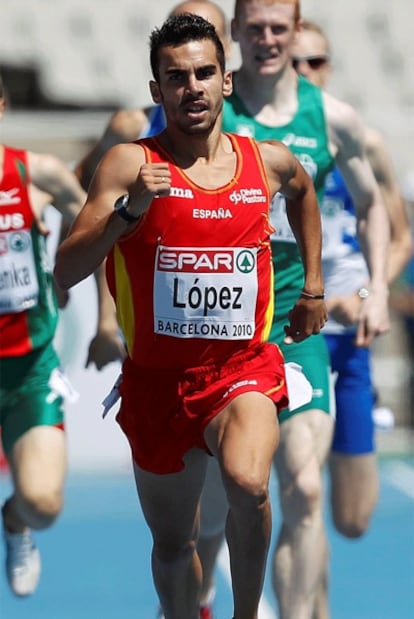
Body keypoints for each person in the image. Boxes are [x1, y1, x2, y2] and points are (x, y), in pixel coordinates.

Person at [54, 13, 328, 619]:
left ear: (226, 81)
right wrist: (129, 213)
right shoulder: (130, 164)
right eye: (177, 77)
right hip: (157, 386)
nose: (193, 87)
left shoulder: (267, 163)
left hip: (241, 371)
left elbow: (305, 193)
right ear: (157, 92)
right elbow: (66, 270)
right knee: (174, 548)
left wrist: (312, 286)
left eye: (205, 73)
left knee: (250, 485)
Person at [221, 2, 390, 618]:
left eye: (279, 28)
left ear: (295, 32)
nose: (267, 39)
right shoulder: (212, 108)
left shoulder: (333, 119)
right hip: (223, 330)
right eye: (255, 27)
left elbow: (374, 206)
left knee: (307, 486)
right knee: (213, 508)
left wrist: (370, 290)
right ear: (235, 31)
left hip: (296, 328)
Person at [292, 18, 412, 617]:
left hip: (350, 343)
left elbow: (399, 234)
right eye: (295, 63)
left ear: (330, 68)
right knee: (301, 495)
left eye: (316, 63)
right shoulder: (269, 140)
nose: (305, 74)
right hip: (290, 342)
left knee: (354, 518)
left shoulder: (358, 138)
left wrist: (370, 292)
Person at [0, 73, 86, 597]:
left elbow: (89, 215)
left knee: (44, 503)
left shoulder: (34, 174)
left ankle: (15, 522)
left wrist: (64, 267)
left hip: (29, 370)